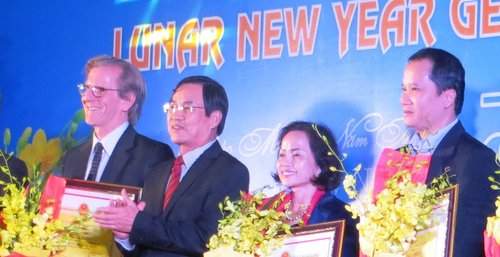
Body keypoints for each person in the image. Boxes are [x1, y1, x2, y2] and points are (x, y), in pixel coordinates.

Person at [93, 75, 250, 257]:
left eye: (187, 107)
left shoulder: (231, 171)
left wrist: (137, 223)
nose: (175, 114)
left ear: (214, 118)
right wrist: (125, 237)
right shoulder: (158, 171)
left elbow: (209, 239)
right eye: (172, 106)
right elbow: (148, 243)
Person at [399, 47, 496, 257]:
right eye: (403, 89)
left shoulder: (478, 160)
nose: (404, 99)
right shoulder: (396, 160)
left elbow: (470, 243)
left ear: (447, 97)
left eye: (415, 89)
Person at [60, 55, 173, 187]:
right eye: (85, 89)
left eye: (98, 90)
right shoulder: (72, 157)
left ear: (127, 100)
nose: (86, 97)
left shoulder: (154, 156)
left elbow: (153, 207)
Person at [260, 121, 358, 257]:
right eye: (282, 154)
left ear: (320, 165)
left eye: (296, 155)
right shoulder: (263, 211)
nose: (285, 163)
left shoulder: (341, 215)